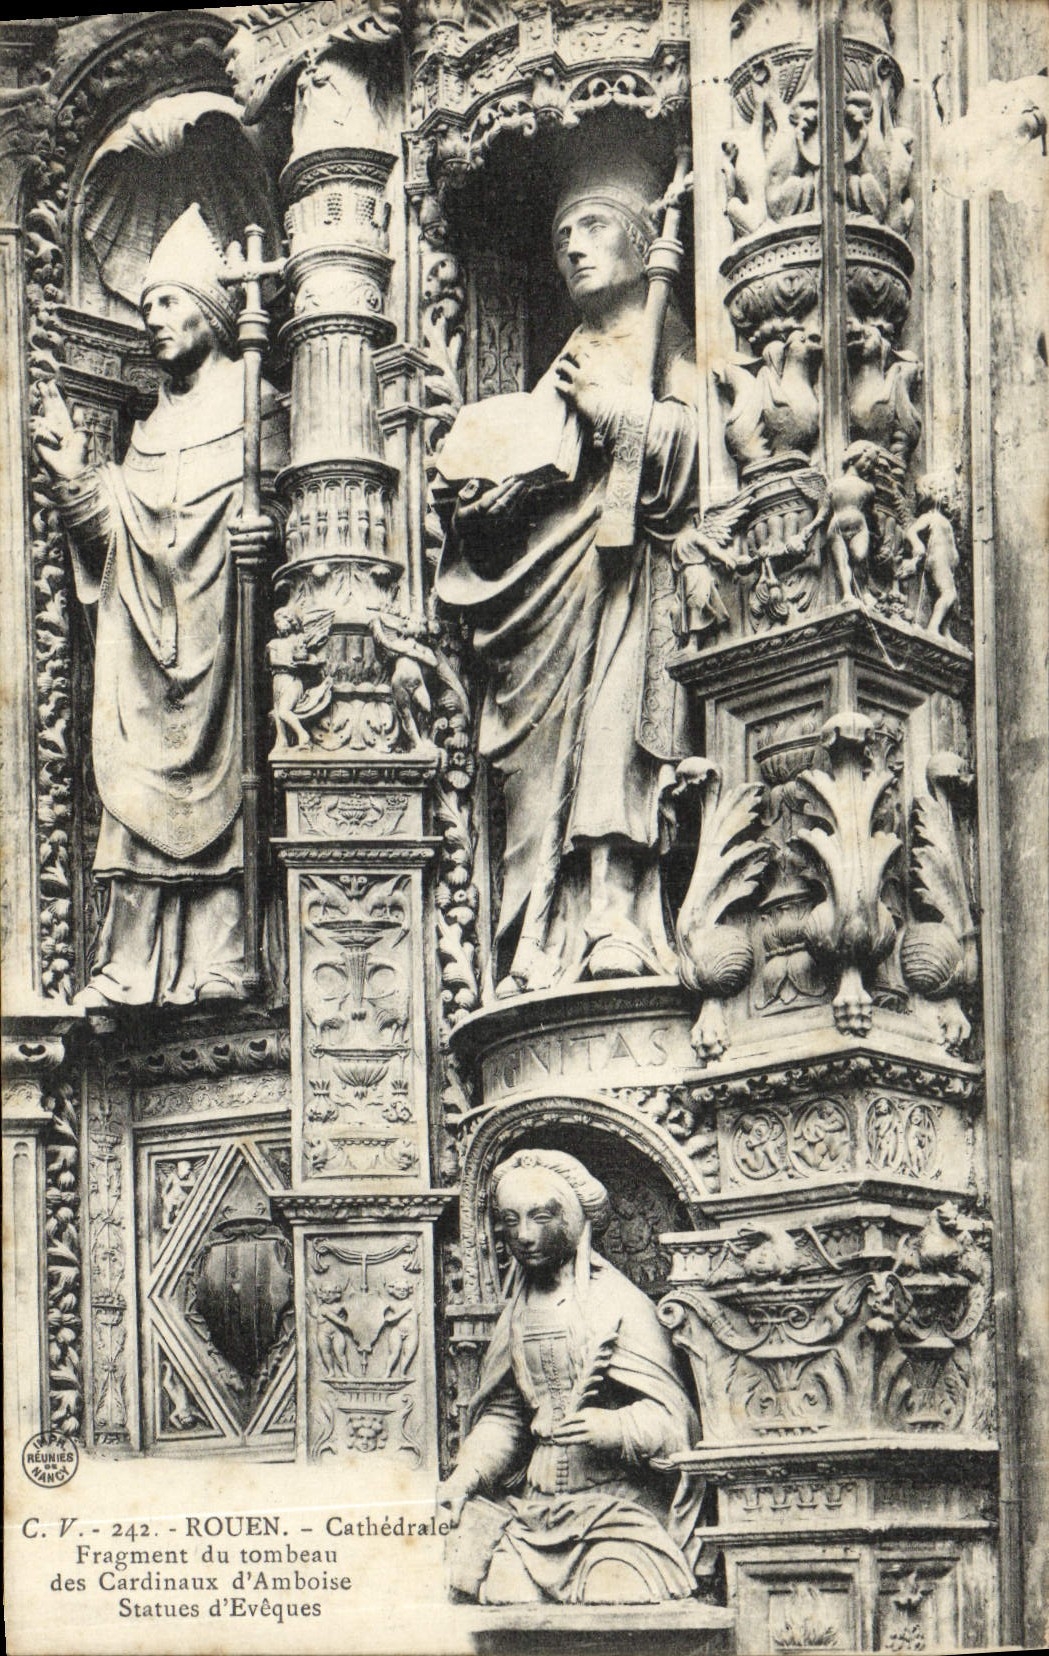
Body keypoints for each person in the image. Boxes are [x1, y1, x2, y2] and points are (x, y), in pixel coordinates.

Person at [436, 152, 698, 996]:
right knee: (533, 767)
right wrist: (484, 506)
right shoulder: (564, 363)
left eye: (593, 229)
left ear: (642, 241)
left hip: (629, 582)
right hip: (543, 606)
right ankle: (536, 936)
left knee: (617, 731)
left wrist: (625, 415)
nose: (573, 250)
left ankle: (614, 913)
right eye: (560, 238)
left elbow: (704, 458)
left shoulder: (668, 343)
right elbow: (520, 474)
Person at [32, 204, 286, 1008]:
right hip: (145, 650)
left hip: (228, 645)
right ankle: (131, 963)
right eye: (145, 310)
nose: (153, 324)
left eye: (169, 303)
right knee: (136, 793)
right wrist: (77, 475)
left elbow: (304, 516)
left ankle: (221, 953)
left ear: (213, 309)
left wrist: (267, 538)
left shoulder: (261, 409)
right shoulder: (147, 430)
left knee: (229, 790)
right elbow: (116, 540)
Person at [438, 1149, 700, 1606]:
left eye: (541, 1216)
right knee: (502, 1594)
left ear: (576, 1218)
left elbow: (677, 1425)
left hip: (616, 1509)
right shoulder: (515, 1315)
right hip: (532, 1511)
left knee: (615, 1593)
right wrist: (466, 1475)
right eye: (511, 1220)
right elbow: (506, 1418)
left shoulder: (619, 1304)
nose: (523, 1235)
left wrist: (614, 1427)